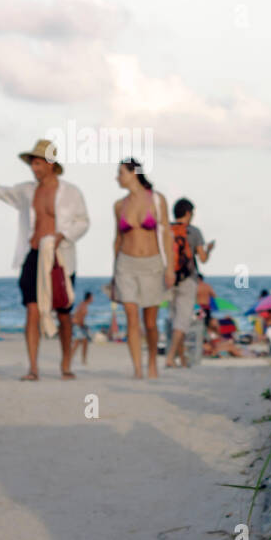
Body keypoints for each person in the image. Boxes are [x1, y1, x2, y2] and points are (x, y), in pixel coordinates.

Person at [0, 139, 90, 380]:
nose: (33, 168)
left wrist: (63, 235)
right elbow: (0, 192)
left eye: (37, 163)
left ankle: (66, 364)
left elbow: (83, 222)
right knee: (32, 310)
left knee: (64, 313)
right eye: (32, 164)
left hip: (61, 258)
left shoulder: (71, 193)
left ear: (50, 164)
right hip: (32, 255)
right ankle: (33, 368)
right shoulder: (26, 191)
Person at [112, 158, 172, 378]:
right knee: (131, 317)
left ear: (133, 173)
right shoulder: (119, 205)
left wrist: (170, 268)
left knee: (150, 323)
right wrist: (113, 273)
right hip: (125, 265)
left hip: (152, 264)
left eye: (121, 173)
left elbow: (166, 235)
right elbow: (117, 239)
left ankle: (152, 362)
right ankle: (137, 368)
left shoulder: (157, 200)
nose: (117, 178)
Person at [164, 197, 214, 368]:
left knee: (174, 319)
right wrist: (209, 250)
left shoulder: (167, 230)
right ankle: (171, 357)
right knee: (183, 320)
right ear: (188, 213)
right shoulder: (194, 232)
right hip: (188, 279)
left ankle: (182, 358)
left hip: (169, 278)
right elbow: (203, 259)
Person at [71, 291, 94, 365]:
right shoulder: (83, 305)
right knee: (77, 343)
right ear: (89, 298)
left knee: (83, 342)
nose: (93, 299)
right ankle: (71, 358)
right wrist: (83, 326)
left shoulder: (83, 304)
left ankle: (83, 360)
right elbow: (79, 317)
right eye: (92, 297)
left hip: (78, 325)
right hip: (78, 325)